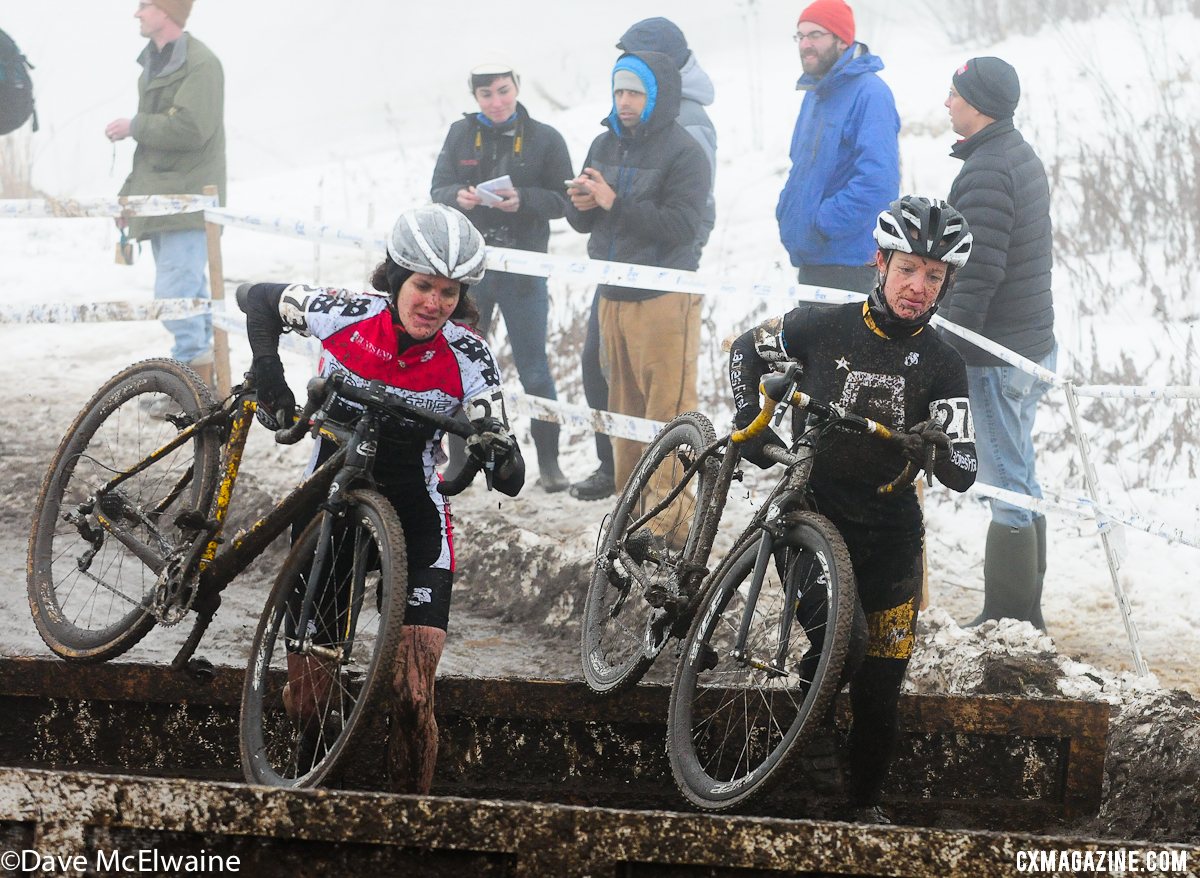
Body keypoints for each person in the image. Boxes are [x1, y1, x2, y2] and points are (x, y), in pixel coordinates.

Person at [240, 205, 525, 794]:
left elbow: (499, 438)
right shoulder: (343, 314)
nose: (434, 303)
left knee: (413, 696)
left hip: (417, 517)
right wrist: (267, 367)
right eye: (423, 286)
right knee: (306, 703)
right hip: (332, 517)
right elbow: (258, 297)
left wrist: (501, 454)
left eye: (450, 293)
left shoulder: (468, 354)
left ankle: (410, 825)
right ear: (395, 278)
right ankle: (314, 786)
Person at [728, 196, 978, 823]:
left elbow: (965, 472)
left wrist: (937, 446)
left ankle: (861, 808)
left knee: (883, 680)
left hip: (893, 536)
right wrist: (749, 424)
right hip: (812, 520)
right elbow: (745, 349)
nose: (918, 288)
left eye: (934, 277)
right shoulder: (820, 324)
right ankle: (796, 744)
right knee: (848, 641)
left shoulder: (945, 364)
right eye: (907, 270)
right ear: (880, 261)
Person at [570, 22, 718, 502]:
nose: (625, 101)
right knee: (624, 413)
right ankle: (629, 513)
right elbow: (584, 221)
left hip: (662, 296)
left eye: (635, 92)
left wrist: (615, 204)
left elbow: (683, 226)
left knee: (669, 414)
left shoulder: (685, 151)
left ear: (657, 94)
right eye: (619, 91)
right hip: (611, 292)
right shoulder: (603, 142)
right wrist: (581, 205)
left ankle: (672, 523)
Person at [942, 57, 1056, 630]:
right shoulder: (1015, 153)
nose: (947, 103)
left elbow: (978, 270)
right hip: (1030, 343)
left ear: (979, 103)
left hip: (997, 351)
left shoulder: (988, 168)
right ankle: (1025, 614)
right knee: (1022, 474)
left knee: (1006, 481)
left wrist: (948, 340)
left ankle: (1008, 620)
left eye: (955, 94)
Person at [431, 63, 573, 493]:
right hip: (471, 272)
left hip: (526, 271)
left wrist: (523, 200)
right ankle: (460, 461)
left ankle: (550, 464)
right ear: (475, 97)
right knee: (458, 364)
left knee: (535, 369)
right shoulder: (461, 135)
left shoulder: (546, 137)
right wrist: (457, 197)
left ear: (517, 88)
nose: (496, 102)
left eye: (503, 91)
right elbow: (437, 189)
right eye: (486, 94)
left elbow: (564, 201)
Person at [105, 0, 225, 398]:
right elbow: (152, 150)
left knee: (177, 295)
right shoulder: (160, 63)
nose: (137, 13)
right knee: (183, 294)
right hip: (164, 200)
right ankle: (200, 389)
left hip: (185, 202)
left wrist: (134, 125)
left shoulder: (200, 64)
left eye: (145, 5)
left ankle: (192, 390)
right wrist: (129, 198)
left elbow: (192, 128)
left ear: (167, 11)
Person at [776, 0, 899, 294]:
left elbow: (878, 183)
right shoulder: (815, 94)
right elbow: (801, 168)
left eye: (815, 35)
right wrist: (788, 213)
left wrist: (821, 223)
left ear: (842, 40)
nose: (805, 44)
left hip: (850, 266)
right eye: (800, 36)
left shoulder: (871, 93)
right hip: (813, 260)